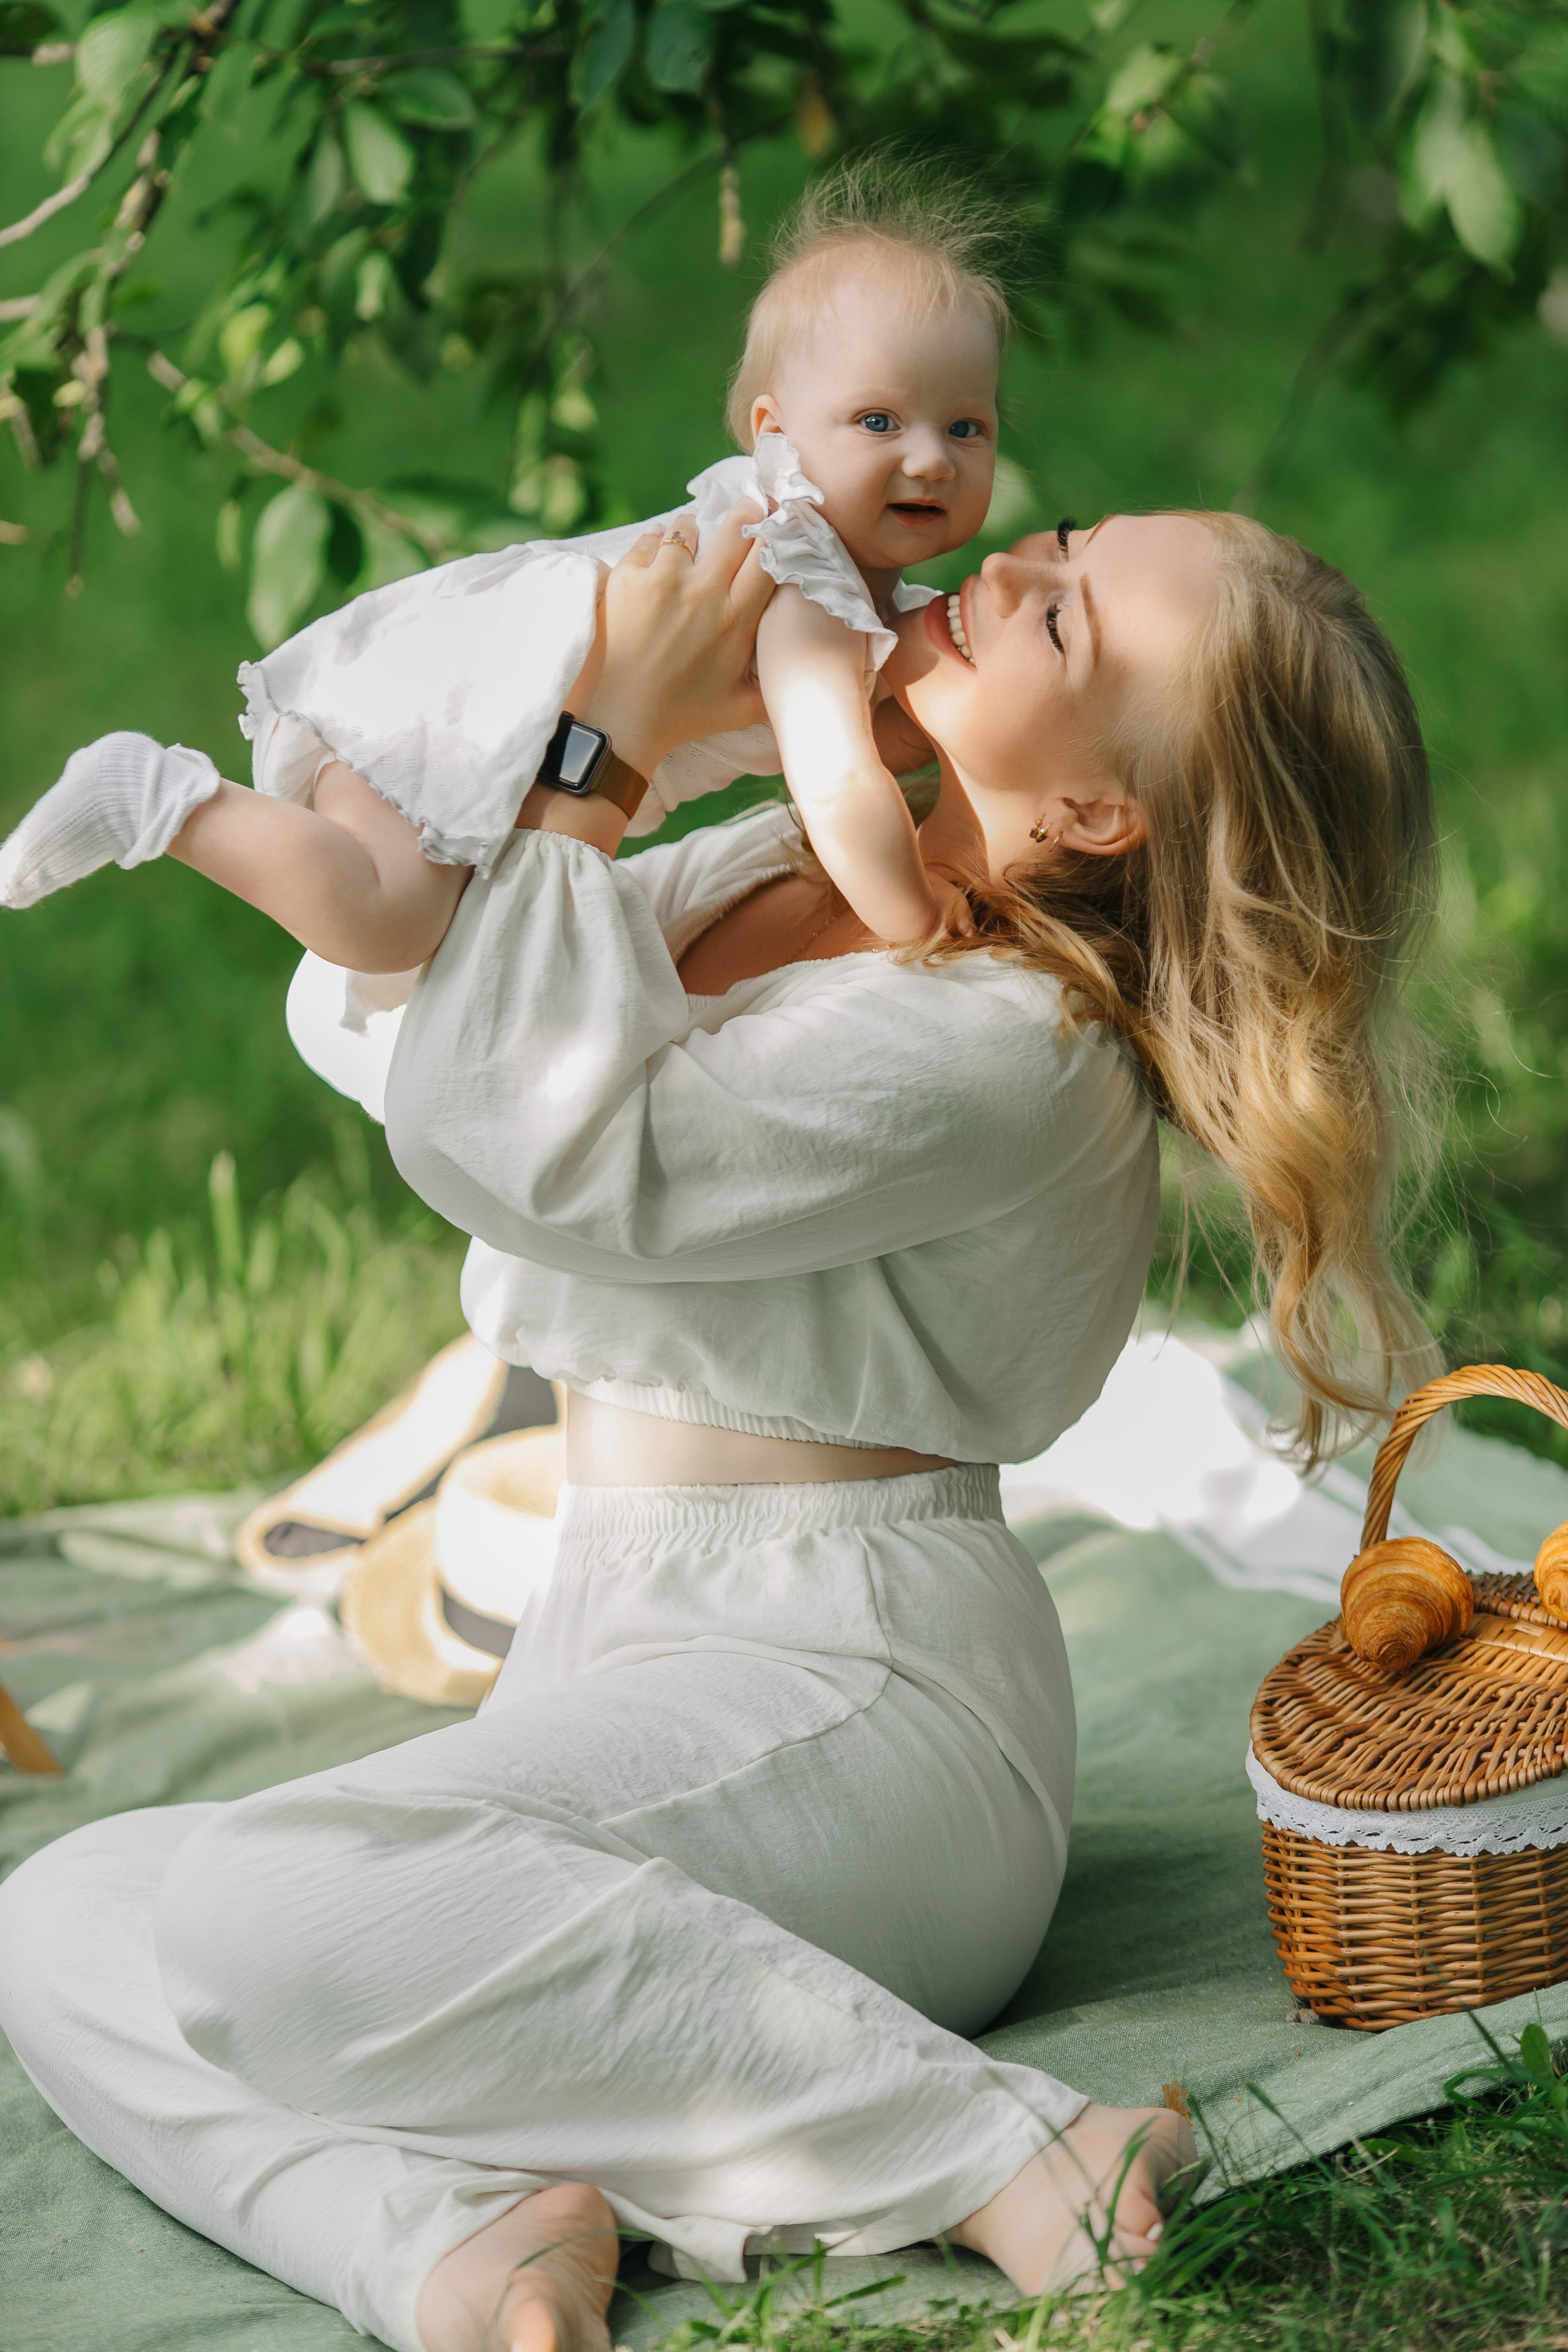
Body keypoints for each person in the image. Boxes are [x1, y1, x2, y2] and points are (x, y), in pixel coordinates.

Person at [0, 500, 1441, 2352]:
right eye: (1057, 537)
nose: (997, 566)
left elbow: (545, 1142)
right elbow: (390, 1035)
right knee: (72, 1907)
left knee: (259, 1922)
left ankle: (1009, 2153)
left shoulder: (1019, 1047)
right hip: (629, 1645)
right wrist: (598, 725)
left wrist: (595, 763)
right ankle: (449, 2242)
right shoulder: (812, 862)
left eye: (1065, 621)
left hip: (867, 1707)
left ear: (1101, 816)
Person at [0, 159, 1011, 954]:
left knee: (409, 960)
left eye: (967, 427)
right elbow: (833, 781)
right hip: (480, 726)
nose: (930, 458)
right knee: (391, 923)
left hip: (481, 713)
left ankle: (187, 812)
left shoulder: (838, 580)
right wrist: (913, 911)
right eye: (879, 420)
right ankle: (162, 800)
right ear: (773, 431)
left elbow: (878, 735)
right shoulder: (807, 583)